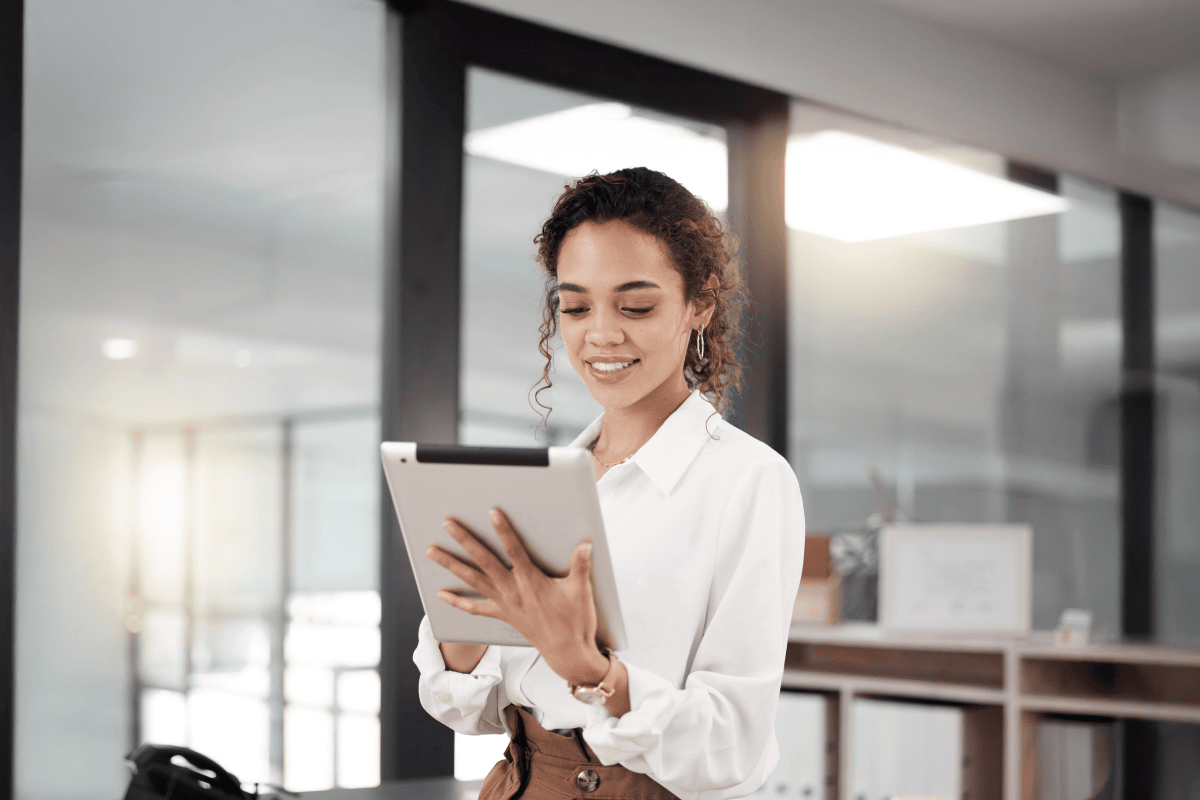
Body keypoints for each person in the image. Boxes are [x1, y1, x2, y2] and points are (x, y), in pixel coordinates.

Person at [413, 167, 805, 800]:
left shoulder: (749, 480)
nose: (600, 333)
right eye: (575, 305)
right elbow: (469, 710)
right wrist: (466, 618)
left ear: (698, 304)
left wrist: (591, 671)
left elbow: (731, 744)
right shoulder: (542, 486)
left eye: (637, 306)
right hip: (515, 784)